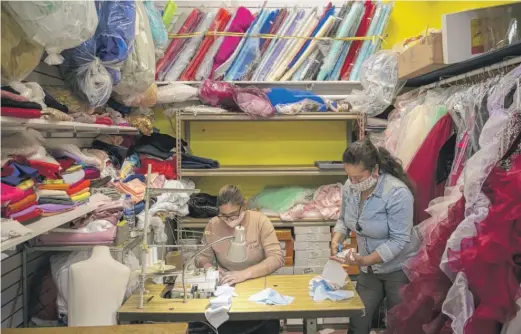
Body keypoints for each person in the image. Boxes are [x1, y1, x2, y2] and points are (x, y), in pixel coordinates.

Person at [330, 138, 420, 334]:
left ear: (375, 170)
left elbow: (399, 240)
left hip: (399, 268)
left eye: (358, 178)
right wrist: (337, 237)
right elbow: (344, 219)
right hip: (369, 269)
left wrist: (365, 260)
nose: (352, 183)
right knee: (358, 320)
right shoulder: (350, 186)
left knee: (399, 325)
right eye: (349, 177)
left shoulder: (397, 193)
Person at [196, 184, 284, 334]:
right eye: (223, 215)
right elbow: (202, 257)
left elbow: (276, 258)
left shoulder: (260, 221)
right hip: (226, 286)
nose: (228, 220)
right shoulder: (214, 225)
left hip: (257, 284)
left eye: (233, 215)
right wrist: (211, 269)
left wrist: (244, 274)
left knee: (266, 324)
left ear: (244, 206)